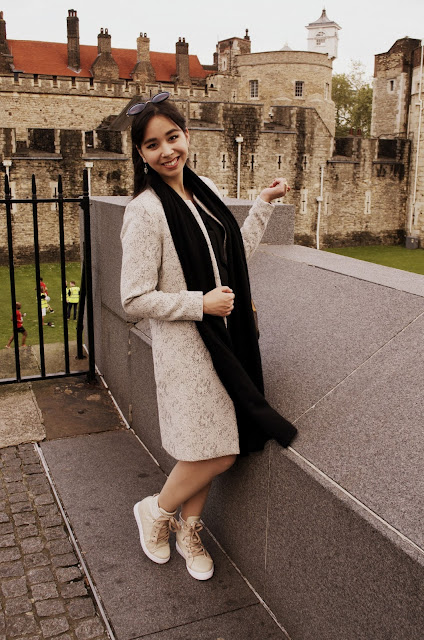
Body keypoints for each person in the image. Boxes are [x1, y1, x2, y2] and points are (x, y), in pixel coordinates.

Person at [120, 92, 297, 581]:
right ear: (141, 154)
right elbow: (133, 298)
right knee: (217, 452)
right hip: (186, 351)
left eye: (172, 137)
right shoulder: (145, 211)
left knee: (203, 448)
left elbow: (231, 258)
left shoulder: (204, 192)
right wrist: (199, 303)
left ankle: (187, 529)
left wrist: (261, 204)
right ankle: (156, 511)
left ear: (187, 136)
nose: (166, 151)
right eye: (152, 144)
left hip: (225, 342)